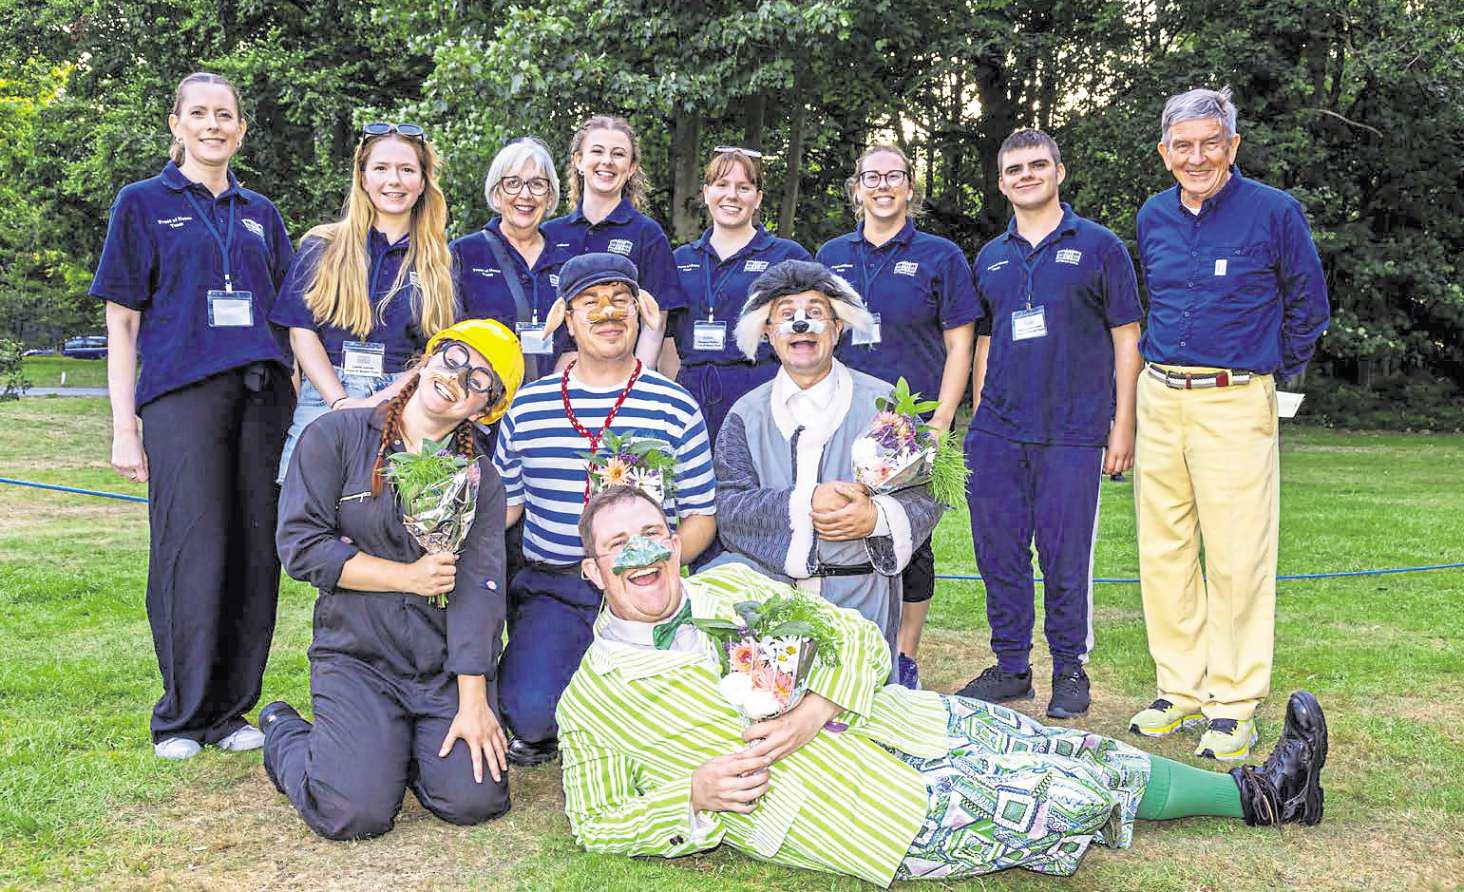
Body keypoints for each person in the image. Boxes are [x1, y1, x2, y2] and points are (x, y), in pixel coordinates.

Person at [557, 484, 1330, 885]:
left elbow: (855, 635)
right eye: (617, 545)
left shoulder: (729, 586)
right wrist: (691, 796)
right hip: (853, 813)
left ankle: (1260, 794)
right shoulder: (590, 701)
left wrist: (820, 702)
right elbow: (596, 821)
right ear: (594, 571)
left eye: (651, 534)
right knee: (1070, 797)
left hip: (901, 721)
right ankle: (1257, 797)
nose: (640, 555)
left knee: (1071, 749)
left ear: (674, 542)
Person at [92, 72, 295, 761]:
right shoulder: (142, 203)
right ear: (175, 123)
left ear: (241, 129)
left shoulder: (261, 211)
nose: (214, 125)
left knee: (252, 551)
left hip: (264, 397)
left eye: (226, 115)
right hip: (183, 397)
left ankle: (231, 709)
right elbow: (121, 323)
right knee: (192, 549)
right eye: (200, 114)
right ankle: (181, 716)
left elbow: (289, 318)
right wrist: (125, 426)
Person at [261, 319, 524, 840]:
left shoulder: (481, 481)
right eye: (454, 358)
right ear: (429, 357)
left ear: (485, 409)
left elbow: (480, 589)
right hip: (358, 657)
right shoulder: (335, 436)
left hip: (441, 666)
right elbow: (302, 549)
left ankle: (390, 751)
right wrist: (407, 576)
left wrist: (473, 700)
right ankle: (284, 732)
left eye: (479, 381)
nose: (457, 378)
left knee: (474, 801)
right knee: (352, 814)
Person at [1130, 87, 1329, 760]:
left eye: (1210, 142)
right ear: (1164, 153)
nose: (1197, 156)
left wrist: (1266, 370)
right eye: (1182, 145)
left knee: (1238, 556)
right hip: (1158, 394)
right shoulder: (1153, 215)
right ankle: (1179, 688)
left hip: (1233, 396)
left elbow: (1309, 304)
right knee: (1163, 551)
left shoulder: (1274, 212)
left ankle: (1234, 702)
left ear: (1233, 145)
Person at [492, 252, 717, 766]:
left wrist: (654, 567)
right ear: (567, 320)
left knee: (673, 718)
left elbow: (702, 516)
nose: (607, 313)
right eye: (589, 302)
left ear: (639, 313)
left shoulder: (674, 404)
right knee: (530, 714)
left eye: (620, 300)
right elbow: (506, 507)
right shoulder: (528, 407)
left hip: (648, 585)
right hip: (555, 586)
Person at [955, 129, 1144, 720]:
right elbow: (984, 341)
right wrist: (981, 413)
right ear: (1002, 181)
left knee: (1064, 556)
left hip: (1073, 429)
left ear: (1060, 172)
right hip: (998, 434)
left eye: (1039, 165)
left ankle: (1069, 670)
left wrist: (1123, 425)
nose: (1026, 175)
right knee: (999, 553)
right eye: (1014, 169)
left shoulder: (1099, 247)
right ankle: (1011, 667)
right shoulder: (990, 256)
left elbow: (1126, 340)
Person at [714, 260, 942, 673]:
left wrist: (876, 517)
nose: (802, 325)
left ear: (837, 328)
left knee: (856, 717)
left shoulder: (887, 405)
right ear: (767, 331)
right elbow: (729, 509)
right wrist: (803, 506)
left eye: (816, 313)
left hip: (862, 600)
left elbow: (927, 495)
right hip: (771, 602)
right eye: (786, 315)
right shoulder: (744, 415)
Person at [816, 144, 980, 688]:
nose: (883, 185)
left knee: (911, 537)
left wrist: (942, 421)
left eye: (895, 176)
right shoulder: (832, 254)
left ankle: (904, 655)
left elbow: (961, 344)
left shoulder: (940, 256)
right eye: (871, 176)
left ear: (910, 187)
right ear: (856, 188)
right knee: (843, 526)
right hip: (842, 416)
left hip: (912, 423)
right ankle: (847, 642)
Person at [270, 122, 456, 481]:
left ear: (422, 182)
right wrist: (341, 402)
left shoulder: (441, 261)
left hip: (405, 397)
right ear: (363, 177)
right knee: (305, 515)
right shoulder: (322, 246)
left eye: (406, 170)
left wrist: (385, 397)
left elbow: (441, 350)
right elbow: (301, 332)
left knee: (389, 517)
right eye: (381, 168)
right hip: (326, 396)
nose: (394, 181)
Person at [668, 147, 811, 445]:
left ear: (757, 198)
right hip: (692, 395)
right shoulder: (680, 259)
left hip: (761, 391)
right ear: (706, 193)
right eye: (721, 185)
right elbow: (665, 338)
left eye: (743, 187)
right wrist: (676, 394)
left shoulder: (786, 256)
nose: (731, 195)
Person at [542, 114, 685, 371]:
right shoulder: (550, 234)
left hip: (619, 380)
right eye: (597, 151)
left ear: (631, 168)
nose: (607, 161)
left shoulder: (647, 234)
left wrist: (632, 384)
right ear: (578, 160)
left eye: (618, 154)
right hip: (555, 380)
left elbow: (655, 324)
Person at [451, 136, 569, 383]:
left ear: (549, 197)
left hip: (554, 401)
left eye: (537, 184)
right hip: (482, 402)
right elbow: (449, 338)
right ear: (496, 193)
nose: (525, 194)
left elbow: (577, 342)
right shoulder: (463, 254)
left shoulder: (568, 262)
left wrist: (550, 396)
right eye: (513, 183)